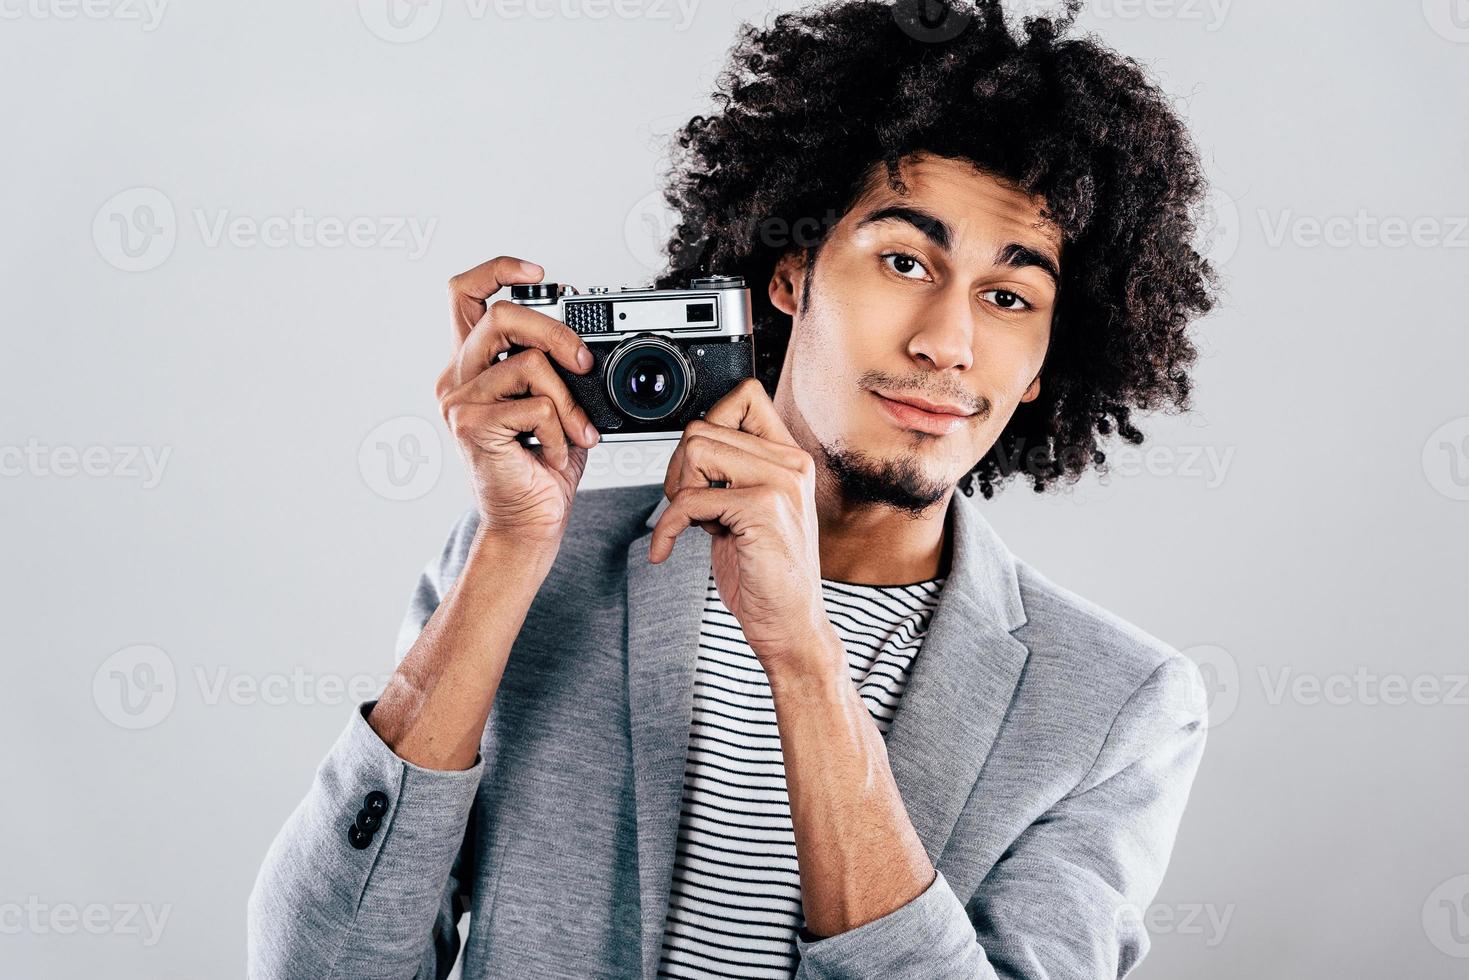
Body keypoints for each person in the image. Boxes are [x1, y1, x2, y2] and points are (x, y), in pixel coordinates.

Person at [248, 1, 1219, 976]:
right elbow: (317, 963)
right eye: (901, 260)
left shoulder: (1118, 706)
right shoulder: (532, 563)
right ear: (790, 273)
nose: (944, 341)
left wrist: (803, 655)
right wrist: (507, 552)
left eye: (1007, 297)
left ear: (1048, 357)